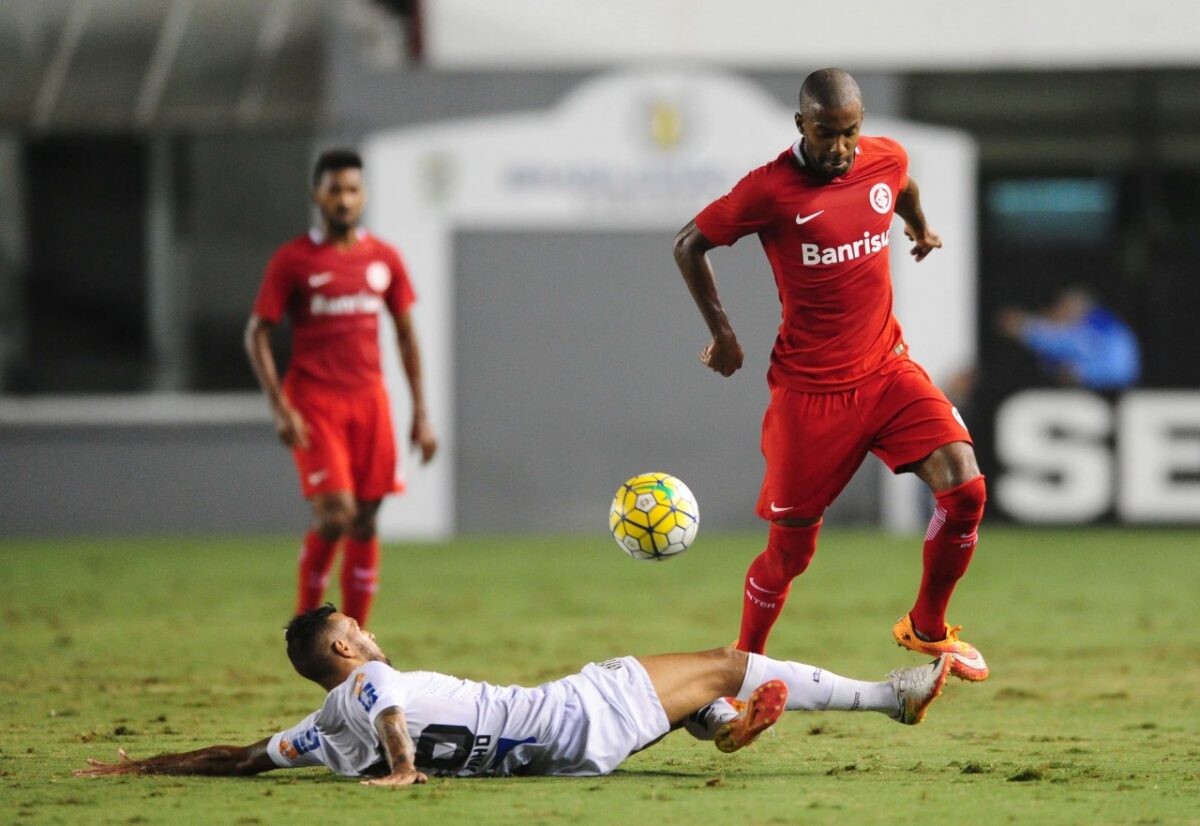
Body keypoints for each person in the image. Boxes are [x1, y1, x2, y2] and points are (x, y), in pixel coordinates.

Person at [672, 68, 988, 681]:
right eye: (826, 135)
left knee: (966, 489)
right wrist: (724, 334)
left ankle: (927, 626)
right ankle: (745, 669)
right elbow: (689, 244)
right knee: (790, 554)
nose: (840, 149)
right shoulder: (768, 190)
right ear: (800, 125)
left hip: (889, 370)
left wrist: (917, 224)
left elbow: (902, 185)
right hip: (810, 394)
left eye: (850, 133)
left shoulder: (882, 160)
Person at [75, 605, 951, 784]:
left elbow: (238, 760)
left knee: (692, 695)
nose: (372, 635)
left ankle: (717, 728)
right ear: (342, 647)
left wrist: (135, 768)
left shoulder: (316, 732)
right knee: (727, 657)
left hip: (566, 758)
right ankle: (891, 698)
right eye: (359, 629)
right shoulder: (370, 690)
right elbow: (385, 702)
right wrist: (404, 767)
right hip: (572, 712)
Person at [244, 149, 438, 627]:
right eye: (334, 190)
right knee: (335, 515)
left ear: (363, 195)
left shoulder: (383, 258)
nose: (344, 200)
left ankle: (355, 637)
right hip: (315, 402)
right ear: (317, 196)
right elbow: (257, 333)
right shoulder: (293, 260)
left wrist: (421, 413)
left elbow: (407, 334)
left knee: (366, 520)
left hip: (370, 401)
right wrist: (280, 407)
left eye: (352, 190)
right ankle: (304, 625)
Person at [997, 287, 1140, 391]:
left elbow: (1124, 371)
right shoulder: (1072, 332)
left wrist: (1082, 372)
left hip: (1110, 397)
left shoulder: (1109, 331)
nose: (1057, 314)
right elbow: (1051, 337)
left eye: (1063, 309)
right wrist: (1024, 326)